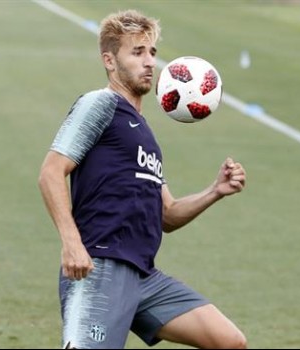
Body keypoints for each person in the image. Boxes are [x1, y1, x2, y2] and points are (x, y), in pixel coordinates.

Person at [38, 9, 247, 349]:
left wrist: (215, 191)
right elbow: (51, 172)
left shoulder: (144, 134)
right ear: (109, 60)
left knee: (229, 341)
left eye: (152, 52)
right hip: (99, 268)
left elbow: (168, 214)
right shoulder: (100, 105)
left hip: (144, 277)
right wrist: (71, 242)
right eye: (137, 52)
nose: (150, 62)